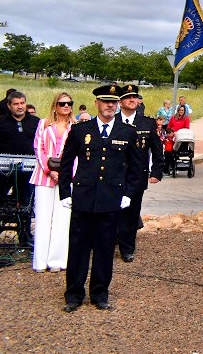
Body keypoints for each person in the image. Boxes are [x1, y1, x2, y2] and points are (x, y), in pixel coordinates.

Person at [57, 84, 143, 311]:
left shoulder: (127, 132)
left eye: (114, 102)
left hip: (111, 199)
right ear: (97, 103)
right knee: (78, 248)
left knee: (105, 249)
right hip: (84, 198)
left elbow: (136, 168)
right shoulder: (80, 130)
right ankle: (74, 294)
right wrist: (65, 193)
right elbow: (65, 165)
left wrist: (128, 194)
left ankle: (100, 294)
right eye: (106, 102)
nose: (110, 106)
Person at [0, 89, 40, 247]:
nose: (20, 107)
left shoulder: (35, 122)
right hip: (2, 171)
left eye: (22, 103)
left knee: (26, 203)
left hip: (27, 172)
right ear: (9, 105)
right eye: (16, 104)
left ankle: (24, 237)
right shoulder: (0, 122)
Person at [115, 84, 164, 262]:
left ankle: (127, 248)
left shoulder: (147, 123)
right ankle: (113, 240)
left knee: (132, 212)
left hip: (137, 174)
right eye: (128, 97)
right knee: (113, 210)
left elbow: (157, 149)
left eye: (135, 97)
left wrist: (156, 171)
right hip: (115, 174)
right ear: (120, 102)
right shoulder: (113, 120)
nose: (132, 100)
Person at [31, 92, 75, 272]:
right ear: (55, 105)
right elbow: (38, 148)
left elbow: (77, 155)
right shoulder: (43, 124)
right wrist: (50, 171)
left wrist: (64, 174)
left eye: (69, 103)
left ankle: (57, 260)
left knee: (63, 219)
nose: (66, 106)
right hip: (43, 176)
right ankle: (40, 261)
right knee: (42, 218)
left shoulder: (76, 127)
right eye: (62, 103)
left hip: (66, 178)